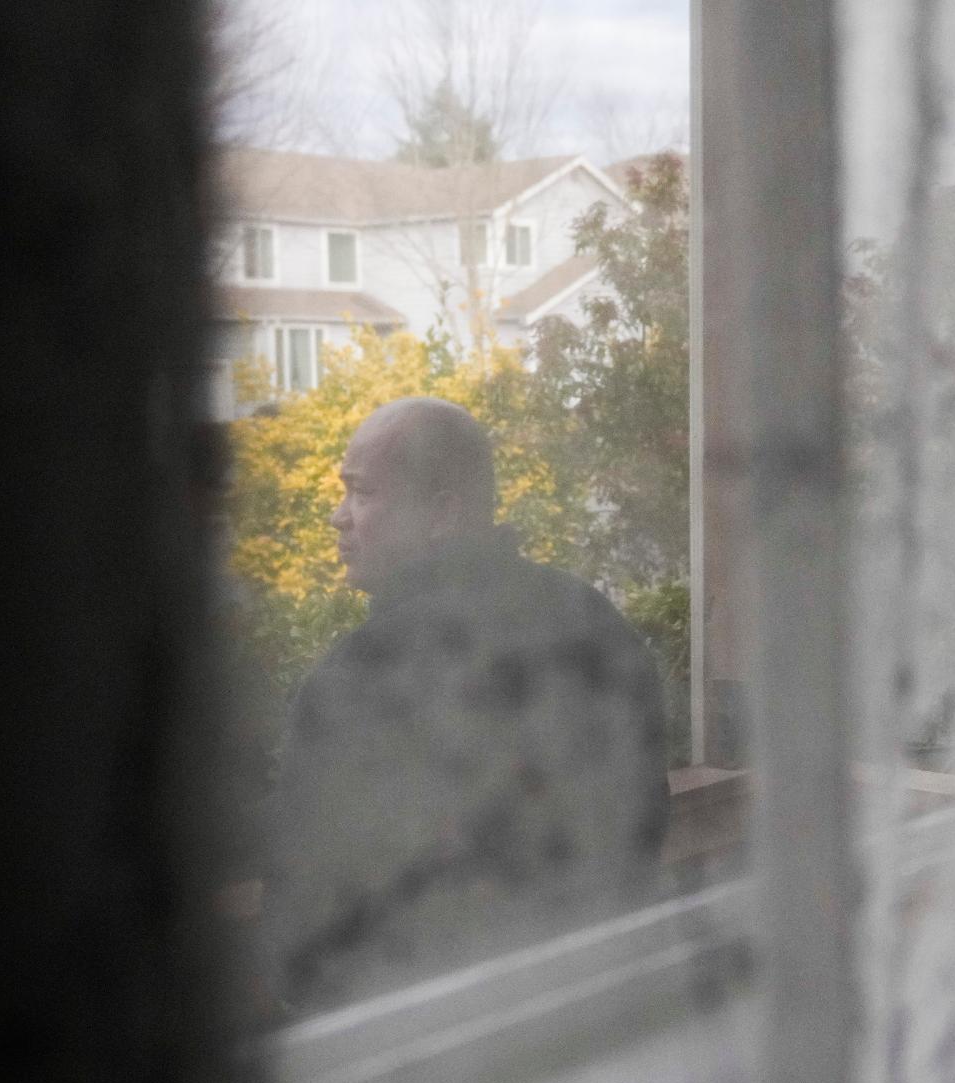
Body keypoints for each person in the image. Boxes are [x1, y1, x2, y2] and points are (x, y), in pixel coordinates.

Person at [263, 397, 670, 1013]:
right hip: (593, 1008)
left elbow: (307, 938)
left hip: (426, 1051)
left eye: (362, 493)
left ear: (443, 513)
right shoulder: (587, 620)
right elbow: (641, 822)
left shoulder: (359, 680)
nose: (337, 517)